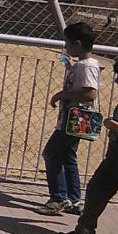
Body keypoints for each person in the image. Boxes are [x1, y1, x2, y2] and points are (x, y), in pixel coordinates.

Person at [57, 57, 118, 234]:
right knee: (96, 189)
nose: (117, 81)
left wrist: (113, 125)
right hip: (115, 157)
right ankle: (85, 231)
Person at [38, 21, 101, 215]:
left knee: (51, 153)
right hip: (73, 119)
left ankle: (59, 198)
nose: (66, 46)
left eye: (68, 43)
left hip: (74, 118)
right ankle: (74, 199)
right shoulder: (82, 65)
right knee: (67, 156)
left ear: (78, 44)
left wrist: (61, 95)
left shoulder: (87, 66)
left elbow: (90, 94)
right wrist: (71, 68)